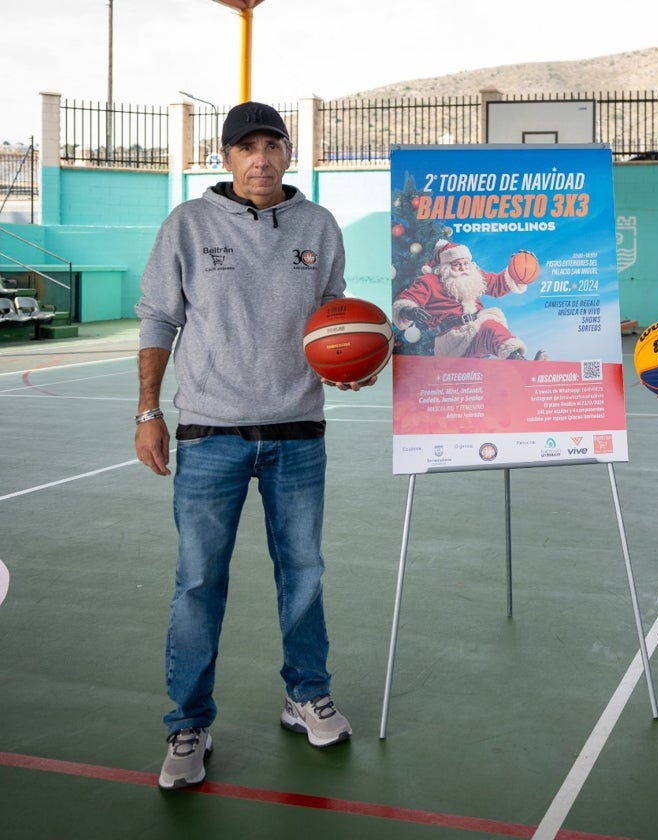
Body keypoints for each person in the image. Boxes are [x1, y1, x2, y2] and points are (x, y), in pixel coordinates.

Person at [134, 102, 366, 791]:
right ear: (226, 158)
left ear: (289, 154)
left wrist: (348, 362)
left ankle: (307, 694)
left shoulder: (318, 226)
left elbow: (335, 317)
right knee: (199, 582)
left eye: (272, 145)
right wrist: (149, 410)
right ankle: (187, 723)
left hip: (298, 431)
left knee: (304, 573)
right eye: (246, 148)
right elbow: (157, 318)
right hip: (210, 435)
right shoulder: (188, 224)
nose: (260, 158)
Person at [392, 239, 547, 359]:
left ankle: (520, 363)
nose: (463, 268)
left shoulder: (474, 276)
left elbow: (497, 284)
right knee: (488, 331)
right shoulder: (430, 281)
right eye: (457, 264)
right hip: (452, 339)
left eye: (466, 263)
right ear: (444, 267)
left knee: (491, 330)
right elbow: (408, 298)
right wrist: (408, 310)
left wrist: (518, 269)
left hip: (477, 332)